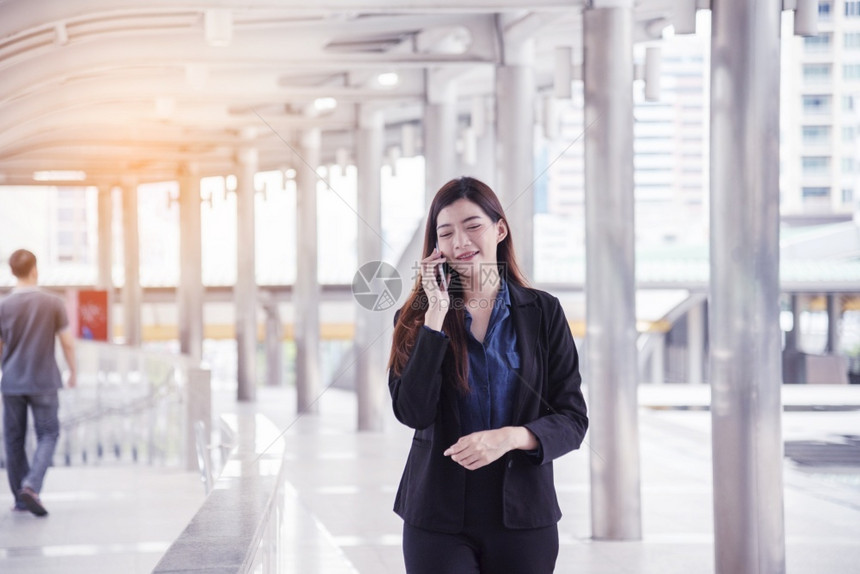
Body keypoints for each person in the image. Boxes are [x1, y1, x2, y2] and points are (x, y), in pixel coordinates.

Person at [388, 177, 589, 573]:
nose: (460, 242)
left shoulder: (544, 313)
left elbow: (572, 419)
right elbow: (412, 412)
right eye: (446, 233)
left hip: (524, 515)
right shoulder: (415, 318)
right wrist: (434, 317)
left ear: (499, 229)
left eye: (472, 226)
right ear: (436, 248)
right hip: (438, 517)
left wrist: (509, 438)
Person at [0, 249, 76, 517]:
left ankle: (21, 498)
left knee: (13, 439)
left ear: (12, 272)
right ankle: (31, 485)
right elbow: (67, 342)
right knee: (48, 434)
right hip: (44, 380)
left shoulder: (3, 305)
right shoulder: (52, 303)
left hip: (11, 383)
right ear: (34, 270)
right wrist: (73, 372)